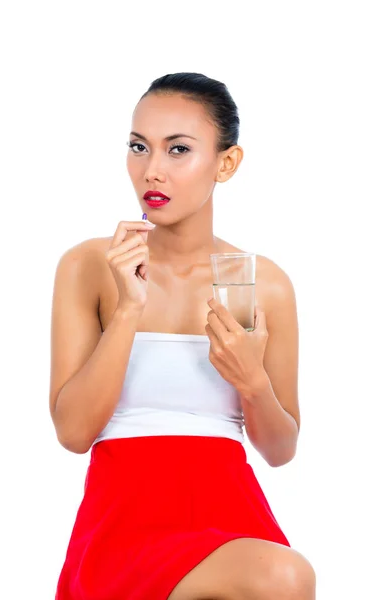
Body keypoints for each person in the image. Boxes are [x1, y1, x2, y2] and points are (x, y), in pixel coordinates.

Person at [51, 72, 316, 600]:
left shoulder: (250, 280)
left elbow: (281, 449)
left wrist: (252, 382)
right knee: (286, 576)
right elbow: (74, 433)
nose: (153, 170)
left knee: (284, 574)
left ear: (226, 163)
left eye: (178, 150)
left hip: (229, 511)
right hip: (124, 520)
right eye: (139, 147)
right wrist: (129, 309)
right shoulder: (92, 266)